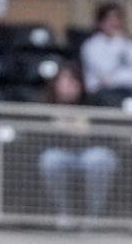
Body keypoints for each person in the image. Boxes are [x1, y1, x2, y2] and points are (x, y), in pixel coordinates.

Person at [34, 62, 119, 224]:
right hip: (61, 155)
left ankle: (95, 216)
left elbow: (107, 138)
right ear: (55, 84)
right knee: (51, 160)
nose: (69, 86)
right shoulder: (45, 107)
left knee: (98, 159)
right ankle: (64, 213)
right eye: (65, 81)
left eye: (74, 81)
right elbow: (38, 142)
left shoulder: (94, 104)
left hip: (87, 154)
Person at [78, 1, 132, 95]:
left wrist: (117, 78)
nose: (114, 23)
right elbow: (104, 71)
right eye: (109, 19)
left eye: (117, 18)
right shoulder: (91, 46)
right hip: (102, 94)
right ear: (100, 22)